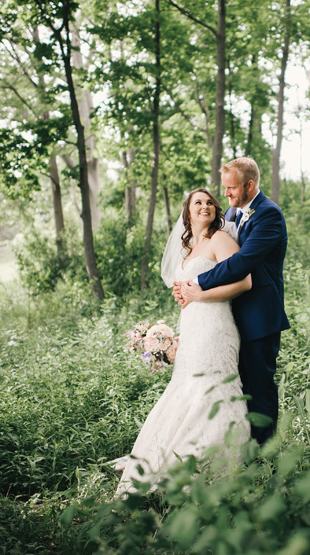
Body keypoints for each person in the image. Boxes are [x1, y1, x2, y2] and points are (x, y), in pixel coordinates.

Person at [114, 189, 251, 498]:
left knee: (212, 387)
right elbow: (185, 291)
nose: (205, 207)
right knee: (186, 388)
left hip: (216, 325)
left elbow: (244, 281)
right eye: (197, 203)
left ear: (217, 210)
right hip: (191, 326)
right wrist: (174, 318)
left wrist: (198, 295)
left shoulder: (220, 240)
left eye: (209, 202)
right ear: (188, 212)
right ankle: (169, 467)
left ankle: (213, 467)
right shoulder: (188, 248)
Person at [176, 157, 289, 444]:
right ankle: (238, 445)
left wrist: (197, 283)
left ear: (250, 185)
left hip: (258, 316)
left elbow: (241, 263)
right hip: (227, 315)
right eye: (225, 188)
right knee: (234, 386)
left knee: (258, 386)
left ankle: (265, 454)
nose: (225, 194)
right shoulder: (233, 213)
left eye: (231, 188)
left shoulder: (268, 215)